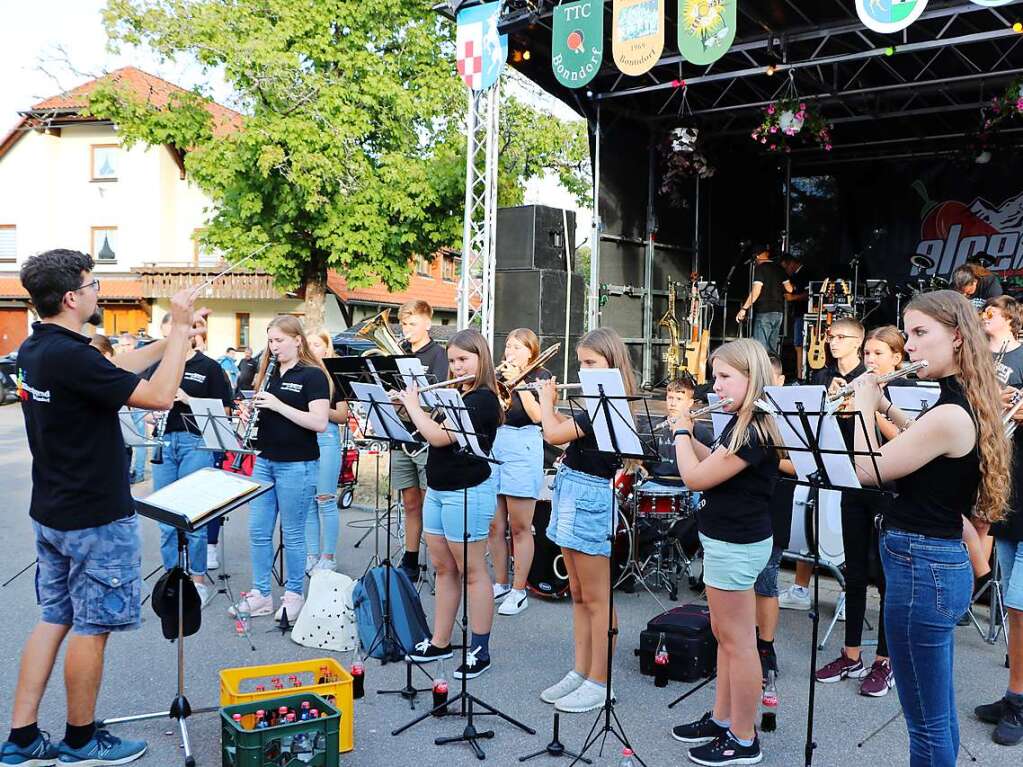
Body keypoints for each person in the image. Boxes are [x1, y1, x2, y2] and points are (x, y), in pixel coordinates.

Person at [1, 249, 204, 767]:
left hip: (54, 510)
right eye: (92, 285)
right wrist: (178, 332)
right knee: (92, 627)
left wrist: (174, 337)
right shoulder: (70, 355)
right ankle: (80, 739)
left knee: (54, 618)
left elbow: (111, 370)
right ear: (71, 297)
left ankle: (21, 739)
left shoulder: (39, 348)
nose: (98, 293)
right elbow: (159, 397)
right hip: (93, 515)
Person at [851, 290, 1010, 766]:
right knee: (935, 712)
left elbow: (867, 470)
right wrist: (885, 407)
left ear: (957, 337)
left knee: (926, 724)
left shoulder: (950, 413)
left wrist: (861, 403)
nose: (911, 346)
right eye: (909, 333)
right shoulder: (959, 401)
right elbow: (925, 446)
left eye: (921, 333)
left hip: (923, 567)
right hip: (930, 563)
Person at [667, 339, 780, 766]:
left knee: (738, 643)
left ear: (751, 378)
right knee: (725, 637)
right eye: (715, 377)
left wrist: (680, 429)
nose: (716, 387)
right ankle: (722, 718)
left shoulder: (755, 428)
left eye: (725, 377)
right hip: (726, 538)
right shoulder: (738, 422)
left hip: (737, 543)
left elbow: (695, 478)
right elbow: (712, 464)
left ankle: (744, 737)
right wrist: (693, 436)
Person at [535, 328, 638, 714]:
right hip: (570, 490)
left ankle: (600, 681)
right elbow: (572, 437)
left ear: (612, 363)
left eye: (591, 363)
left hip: (591, 497)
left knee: (597, 598)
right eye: (581, 363)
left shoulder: (609, 400)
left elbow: (552, 432)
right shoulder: (595, 403)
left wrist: (546, 402)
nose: (583, 370)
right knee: (577, 593)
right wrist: (551, 407)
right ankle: (580, 671)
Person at [399, 329, 502, 679]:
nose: (457, 367)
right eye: (454, 360)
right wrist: (412, 409)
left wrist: (413, 406)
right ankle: (440, 641)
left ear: (480, 360)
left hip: (468, 490)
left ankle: (481, 649)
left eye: (464, 360)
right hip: (440, 488)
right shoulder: (455, 395)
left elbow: (441, 437)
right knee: (444, 569)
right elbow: (427, 432)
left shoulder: (484, 399)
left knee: (472, 571)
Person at [813, 325, 903, 698]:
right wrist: (838, 409)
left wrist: (869, 407)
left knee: (884, 578)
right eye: (867, 354)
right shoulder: (854, 382)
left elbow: (905, 437)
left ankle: (884, 660)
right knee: (854, 572)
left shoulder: (904, 390)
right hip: (853, 484)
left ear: (897, 358)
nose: (870, 360)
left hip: (887, 490)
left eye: (879, 354)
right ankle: (852, 654)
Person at [228, 316, 330, 622]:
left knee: (293, 534)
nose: (274, 347)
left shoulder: (312, 376)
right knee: (258, 531)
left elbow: (319, 422)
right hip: (265, 460)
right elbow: (268, 418)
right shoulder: (268, 372)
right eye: (270, 341)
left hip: (297, 464)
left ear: (297, 339)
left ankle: (294, 595)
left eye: (279, 341)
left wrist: (277, 405)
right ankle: (260, 595)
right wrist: (249, 418)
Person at [779, 317, 867, 613]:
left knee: (845, 526)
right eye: (831, 336)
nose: (833, 342)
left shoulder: (866, 376)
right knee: (807, 516)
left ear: (857, 342)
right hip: (821, 453)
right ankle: (801, 587)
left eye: (841, 337)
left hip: (853, 458)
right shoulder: (821, 375)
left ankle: (847, 591)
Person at [146, 318, 234, 608]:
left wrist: (187, 398)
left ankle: (197, 581)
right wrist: (149, 414)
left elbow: (223, 412)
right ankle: (173, 579)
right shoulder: (158, 364)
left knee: (194, 516)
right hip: (164, 443)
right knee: (166, 520)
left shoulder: (209, 367)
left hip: (195, 442)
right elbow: (142, 403)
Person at [975, 296, 1023, 747]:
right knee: (1013, 603)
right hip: (1013, 492)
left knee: (1022, 606)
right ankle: (1015, 692)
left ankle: (1018, 702)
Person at [488, 328, 550, 616]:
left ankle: (519, 589)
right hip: (497, 443)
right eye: (508, 346)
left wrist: (520, 382)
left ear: (530, 352)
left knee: (519, 527)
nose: (509, 352)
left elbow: (540, 417)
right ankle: (500, 582)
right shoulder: (497, 375)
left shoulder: (541, 377)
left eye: (517, 347)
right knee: (495, 525)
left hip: (524, 444)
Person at [392, 300, 448, 583]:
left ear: (428, 322)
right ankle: (411, 559)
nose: (407, 329)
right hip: (401, 434)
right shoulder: (398, 353)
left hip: (425, 435)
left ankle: (438, 562)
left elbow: (437, 398)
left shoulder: (438, 354)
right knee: (410, 503)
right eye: (404, 324)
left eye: (412, 324)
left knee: (429, 503)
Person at [754, 354, 794, 683]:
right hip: (745, 505)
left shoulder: (791, 416)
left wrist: (763, 455)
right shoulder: (745, 412)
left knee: (767, 581)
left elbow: (802, 467)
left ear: (780, 381)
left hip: (775, 504)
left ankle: (766, 647)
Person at [305, 329, 349, 573]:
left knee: (325, 499)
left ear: (326, 347)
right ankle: (311, 554)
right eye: (308, 343)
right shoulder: (301, 374)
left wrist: (317, 409)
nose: (312, 348)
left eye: (317, 344)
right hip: (304, 439)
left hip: (327, 439)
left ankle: (328, 556)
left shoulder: (335, 377)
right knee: (308, 502)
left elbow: (342, 416)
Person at [735, 245, 793, 356]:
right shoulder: (779, 268)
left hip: (764, 311)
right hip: (778, 313)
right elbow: (789, 289)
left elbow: (756, 291)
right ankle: (773, 372)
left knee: (761, 349)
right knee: (772, 349)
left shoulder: (761, 268)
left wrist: (744, 308)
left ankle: (762, 372)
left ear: (756, 256)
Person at [780, 254, 814, 379]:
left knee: (800, 344)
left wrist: (792, 297)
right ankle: (800, 374)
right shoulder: (795, 276)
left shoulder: (805, 273)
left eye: (786, 268)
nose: (786, 272)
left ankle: (802, 376)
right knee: (798, 345)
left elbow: (808, 293)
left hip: (805, 313)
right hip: (798, 313)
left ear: (792, 263)